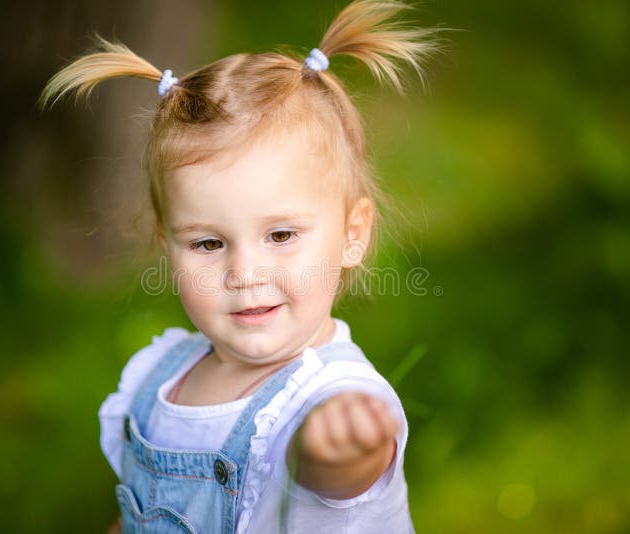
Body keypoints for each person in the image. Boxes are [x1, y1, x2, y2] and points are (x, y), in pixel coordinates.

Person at [40, 1, 442, 532]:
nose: (244, 272)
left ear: (352, 236)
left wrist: (339, 453)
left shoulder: (329, 394)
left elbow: (344, 480)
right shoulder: (165, 376)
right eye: (208, 244)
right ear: (167, 245)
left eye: (280, 235)